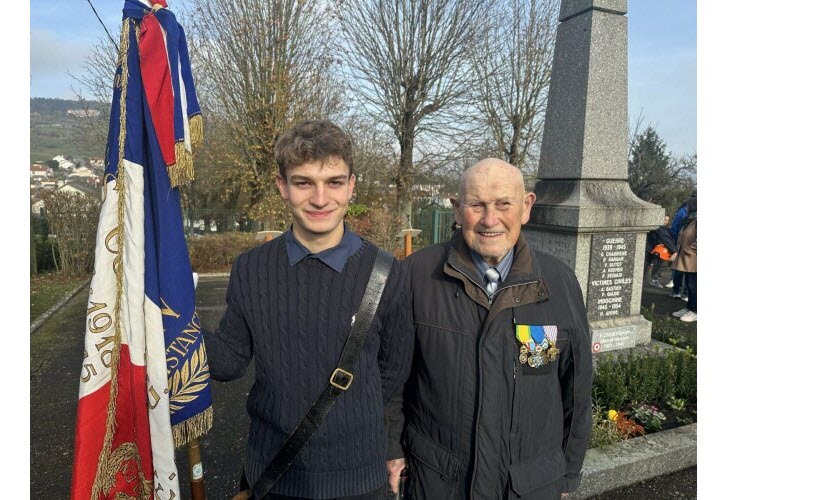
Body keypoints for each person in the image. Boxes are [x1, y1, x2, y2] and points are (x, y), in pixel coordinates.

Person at [204, 120, 414, 499]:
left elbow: (393, 372)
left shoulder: (386, 272)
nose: (320, 199)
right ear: (282, 187)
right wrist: (167, 325)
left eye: (334, 182)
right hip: (273, 475)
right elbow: (229, 360)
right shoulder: (251, 268)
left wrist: (352, 422)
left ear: (351, 186)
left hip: (358, 482)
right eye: (304, 183)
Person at [389, 158, 593, 499]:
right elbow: (391, 381)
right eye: (476, 205)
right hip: (439, 483)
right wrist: (391, 450)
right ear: (456, 209)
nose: (489, 219)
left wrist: (568, 477)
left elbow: (576, 391)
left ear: (526, 207)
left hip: (529, 486)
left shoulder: (559, 282)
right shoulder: (416, 275)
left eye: (503, 204)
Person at [671, 196, 697, 322]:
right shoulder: (690, 219)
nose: (688, 207)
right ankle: (689, 308)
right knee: (688, 283)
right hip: (687, 257)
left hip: (694, 258)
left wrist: (691, 250)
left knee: (694, 285)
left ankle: (695, 311)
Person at [644, 214, 678, 287]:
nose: (665, 222)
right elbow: (665, 237)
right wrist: (674, 251)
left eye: (667, 220)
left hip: (655, 251)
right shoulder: (659, 227)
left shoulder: (664, 229)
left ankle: (653, 279)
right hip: (651, 250)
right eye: (664, 219)